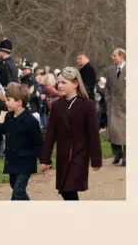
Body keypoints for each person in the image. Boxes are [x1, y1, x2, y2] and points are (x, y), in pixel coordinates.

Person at [40, 67, 102, 201]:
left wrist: (96, 159)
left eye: (64, 83)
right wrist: (45, 159)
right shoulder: (56, 106)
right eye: (59, 82)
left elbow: (93, 135)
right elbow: (51, 134)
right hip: (63, 156)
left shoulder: (87, 105)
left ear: (75, 84)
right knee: (64, 190)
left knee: (69, 188)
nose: (59, 85)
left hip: (79, 155)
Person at [0, 82, 43, 200]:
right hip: (12, 160)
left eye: (9, 100)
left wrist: (44, 160)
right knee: (15, 188)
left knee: (18, 191)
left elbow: (38, 143)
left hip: (26, 161)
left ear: (19, 102)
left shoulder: (31, 121)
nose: (6, 102)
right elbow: (4, 128)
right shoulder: (9, 116)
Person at [104, 48, 126, 166]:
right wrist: (108, 100)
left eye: (114, 55)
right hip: (112, 106)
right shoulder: (109, 70)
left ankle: (127, 156)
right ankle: (117, 154)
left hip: (125, 107)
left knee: (126, 131)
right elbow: (107, 87)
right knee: (113, 131)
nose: (112, 58)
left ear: (121, 56)